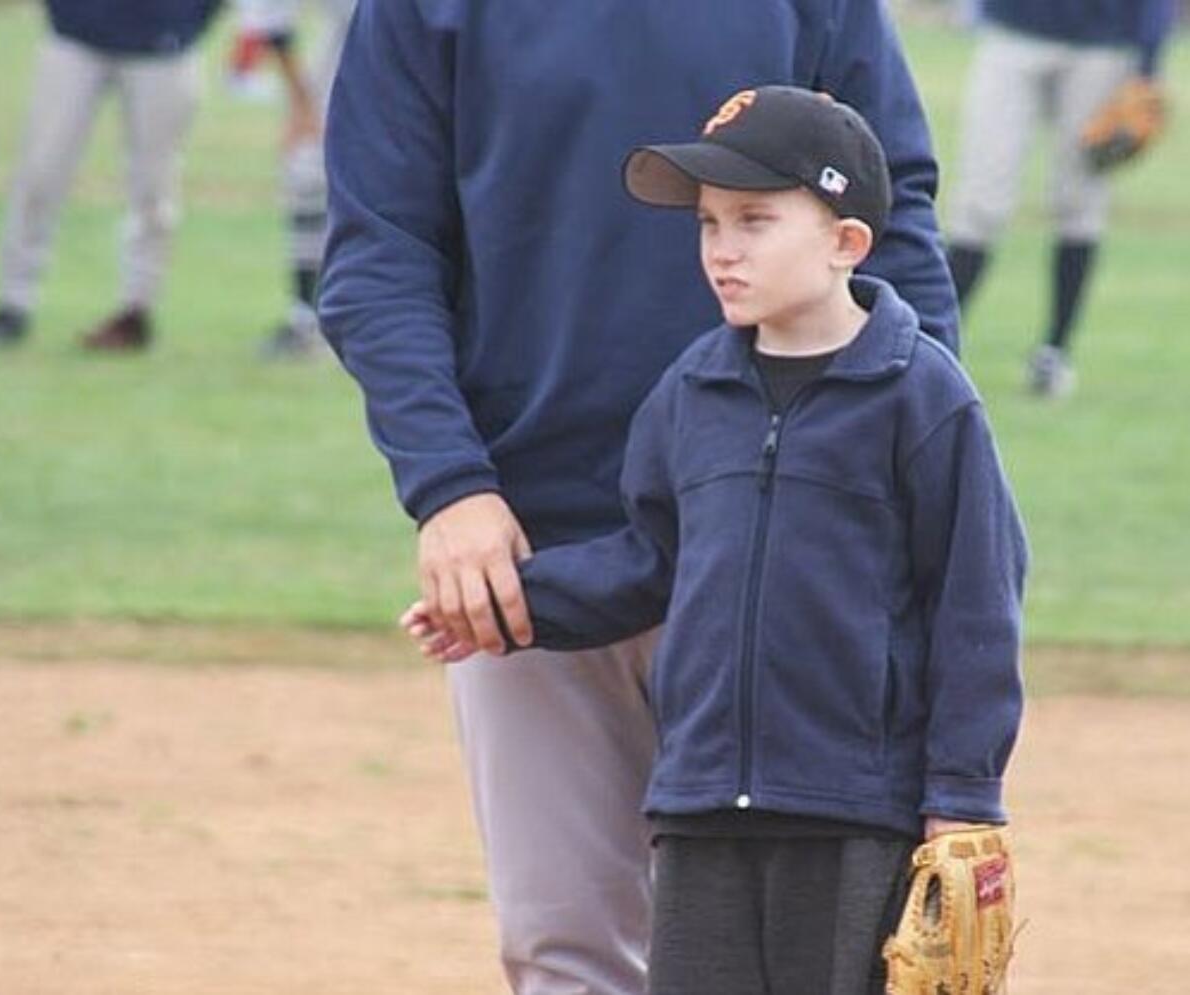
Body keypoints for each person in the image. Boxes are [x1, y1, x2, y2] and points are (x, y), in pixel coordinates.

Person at [319, 2, 960, 992]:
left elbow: (889, 209)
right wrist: (448, 486)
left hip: (784, 539)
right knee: (564, 949)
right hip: (532, 541)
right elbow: (379, 252)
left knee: (799, 949)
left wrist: (904, 445)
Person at [944, 0, 1177, 396]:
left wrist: (1148, 64)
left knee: (1079, 204)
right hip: (1014, 31)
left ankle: (1055, 351)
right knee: (980, 204)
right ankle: (936, 342)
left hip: (1101, 42)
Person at [0, 0, 222, 351]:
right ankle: (13, 303)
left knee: (154, 188)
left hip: (165, 47)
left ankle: (136, 308)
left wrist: (186, 21)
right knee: (40, 173)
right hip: (76, 37)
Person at [232, 0, 356, 358]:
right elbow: (269, 11)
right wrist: (302, 102)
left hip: (439, 55)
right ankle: (308, 318)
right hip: (349, 53)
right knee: (307, 169)